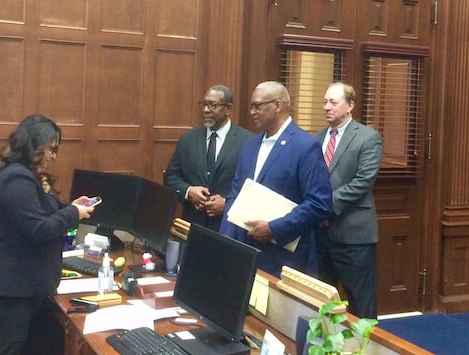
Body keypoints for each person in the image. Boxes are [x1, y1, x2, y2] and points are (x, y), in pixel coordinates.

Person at [0, 114, 95, 354]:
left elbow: (41, 213)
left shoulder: (26, 176)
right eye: (50, 149)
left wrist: (71, 207)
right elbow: (38, 229)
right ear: (33, 145)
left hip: (19, 288)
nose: (53, 156)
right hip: (5, 291)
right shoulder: (17, 178)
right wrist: (73, 213)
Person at [220, 81, 333, 278]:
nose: (252, 112)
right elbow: (235, 194)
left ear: (278, 105)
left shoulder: (305, 146)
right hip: (245, 253)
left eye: (258, 106)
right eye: (251, 107)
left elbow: (320, 203)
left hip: (284, 259)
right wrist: (225, 241)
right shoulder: (249, 146)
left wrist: (274, 229)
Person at [314, 82, 382, 319]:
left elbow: (363, 182)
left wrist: (322, 206)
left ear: (350, 105)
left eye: (333, 102)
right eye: (324, 102)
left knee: (360, 304)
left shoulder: (367, 137)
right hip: (320, 235)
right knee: (322, 303)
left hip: (353, 236)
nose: (326, 107)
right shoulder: (318, 137)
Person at [164, 85, 253, 231]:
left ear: (228, 109)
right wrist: (189, 191)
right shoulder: (188, 140)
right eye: (204, 104)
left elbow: (254, 187)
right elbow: (171, 177)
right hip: (193, 227)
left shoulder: (248, 142)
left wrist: (227, 203)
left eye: (213, 105)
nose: (206, 110)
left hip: (228, 228)